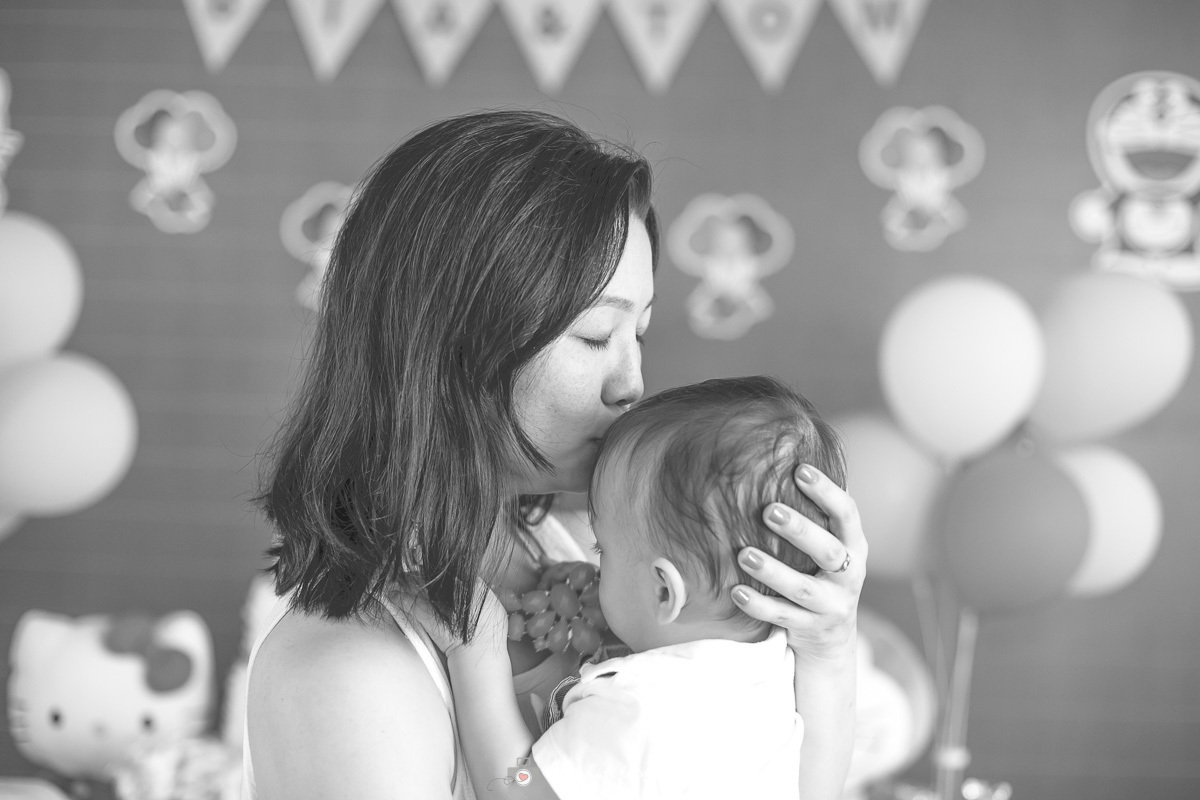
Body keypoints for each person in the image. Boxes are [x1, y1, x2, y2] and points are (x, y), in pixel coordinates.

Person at [243, 109, 867, 800]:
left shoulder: (604, 544)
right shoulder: (348, 672)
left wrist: (825, 649)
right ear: (455, 343)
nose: (631, 384)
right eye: (597, 337)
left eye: (642, 335)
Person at [428, 375, 846, 799]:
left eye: (602, 549)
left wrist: (475, 650)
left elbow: (513, 792)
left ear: (664, 591)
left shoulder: (639, 708)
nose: (589, 563)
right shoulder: (772, 668)